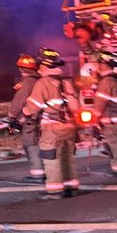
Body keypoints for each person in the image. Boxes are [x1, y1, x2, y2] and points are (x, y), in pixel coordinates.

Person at [24, 48, 81, 198]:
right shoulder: (66, 82)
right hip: (69, 127)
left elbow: (33, 107)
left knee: (52, 159)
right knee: (67, 158)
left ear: (43, 66)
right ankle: (71, 187)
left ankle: (55, 191)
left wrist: (25, 112)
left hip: (52, 129)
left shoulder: (43, 83)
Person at [93, 51, 117, 176]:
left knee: (114, 146)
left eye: (99, 63)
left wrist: (94, 120)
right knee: (116, 145)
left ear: (103, 64)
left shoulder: (106, 81)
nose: (97, 66)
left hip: (111, 120)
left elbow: (100, 103)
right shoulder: (115, 79)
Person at [7, 53, 45, 183]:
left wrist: (12, 116)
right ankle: (46, 171)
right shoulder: (40, 81)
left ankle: (37, 174)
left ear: (21, 69)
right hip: (41, 119)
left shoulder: (27, 83)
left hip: (29, 120)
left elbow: (18, 101)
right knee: (41, 145)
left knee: (31, 145)